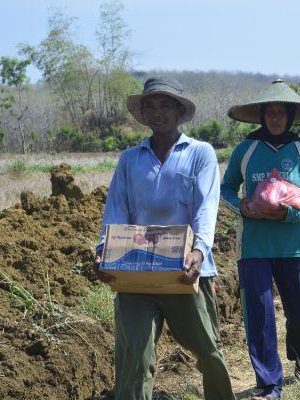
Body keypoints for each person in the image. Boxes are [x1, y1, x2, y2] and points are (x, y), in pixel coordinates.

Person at [93, 77, 235, 400]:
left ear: (179, 111)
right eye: (151, 106)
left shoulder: (200, 153)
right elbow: (116, 209)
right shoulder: (130, 159)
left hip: (187, 272)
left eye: (165, 105)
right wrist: (104, 251)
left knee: (208, 351)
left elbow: (207, 207)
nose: (158, 112)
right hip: (137, 273)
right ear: (143, 113)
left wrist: (199, 252)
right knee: (135, 357)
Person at [221, 79, 300, 400]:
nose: (276, 118)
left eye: (282, 113)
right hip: (253, 246)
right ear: (261, 116)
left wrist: (294, 214)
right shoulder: (245, 150)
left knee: (298, 308)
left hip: (293, 247)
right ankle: (269, 383)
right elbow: (226, 188)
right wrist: (241, 206)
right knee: (259, 313)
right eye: (270, 112)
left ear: (291, 116)